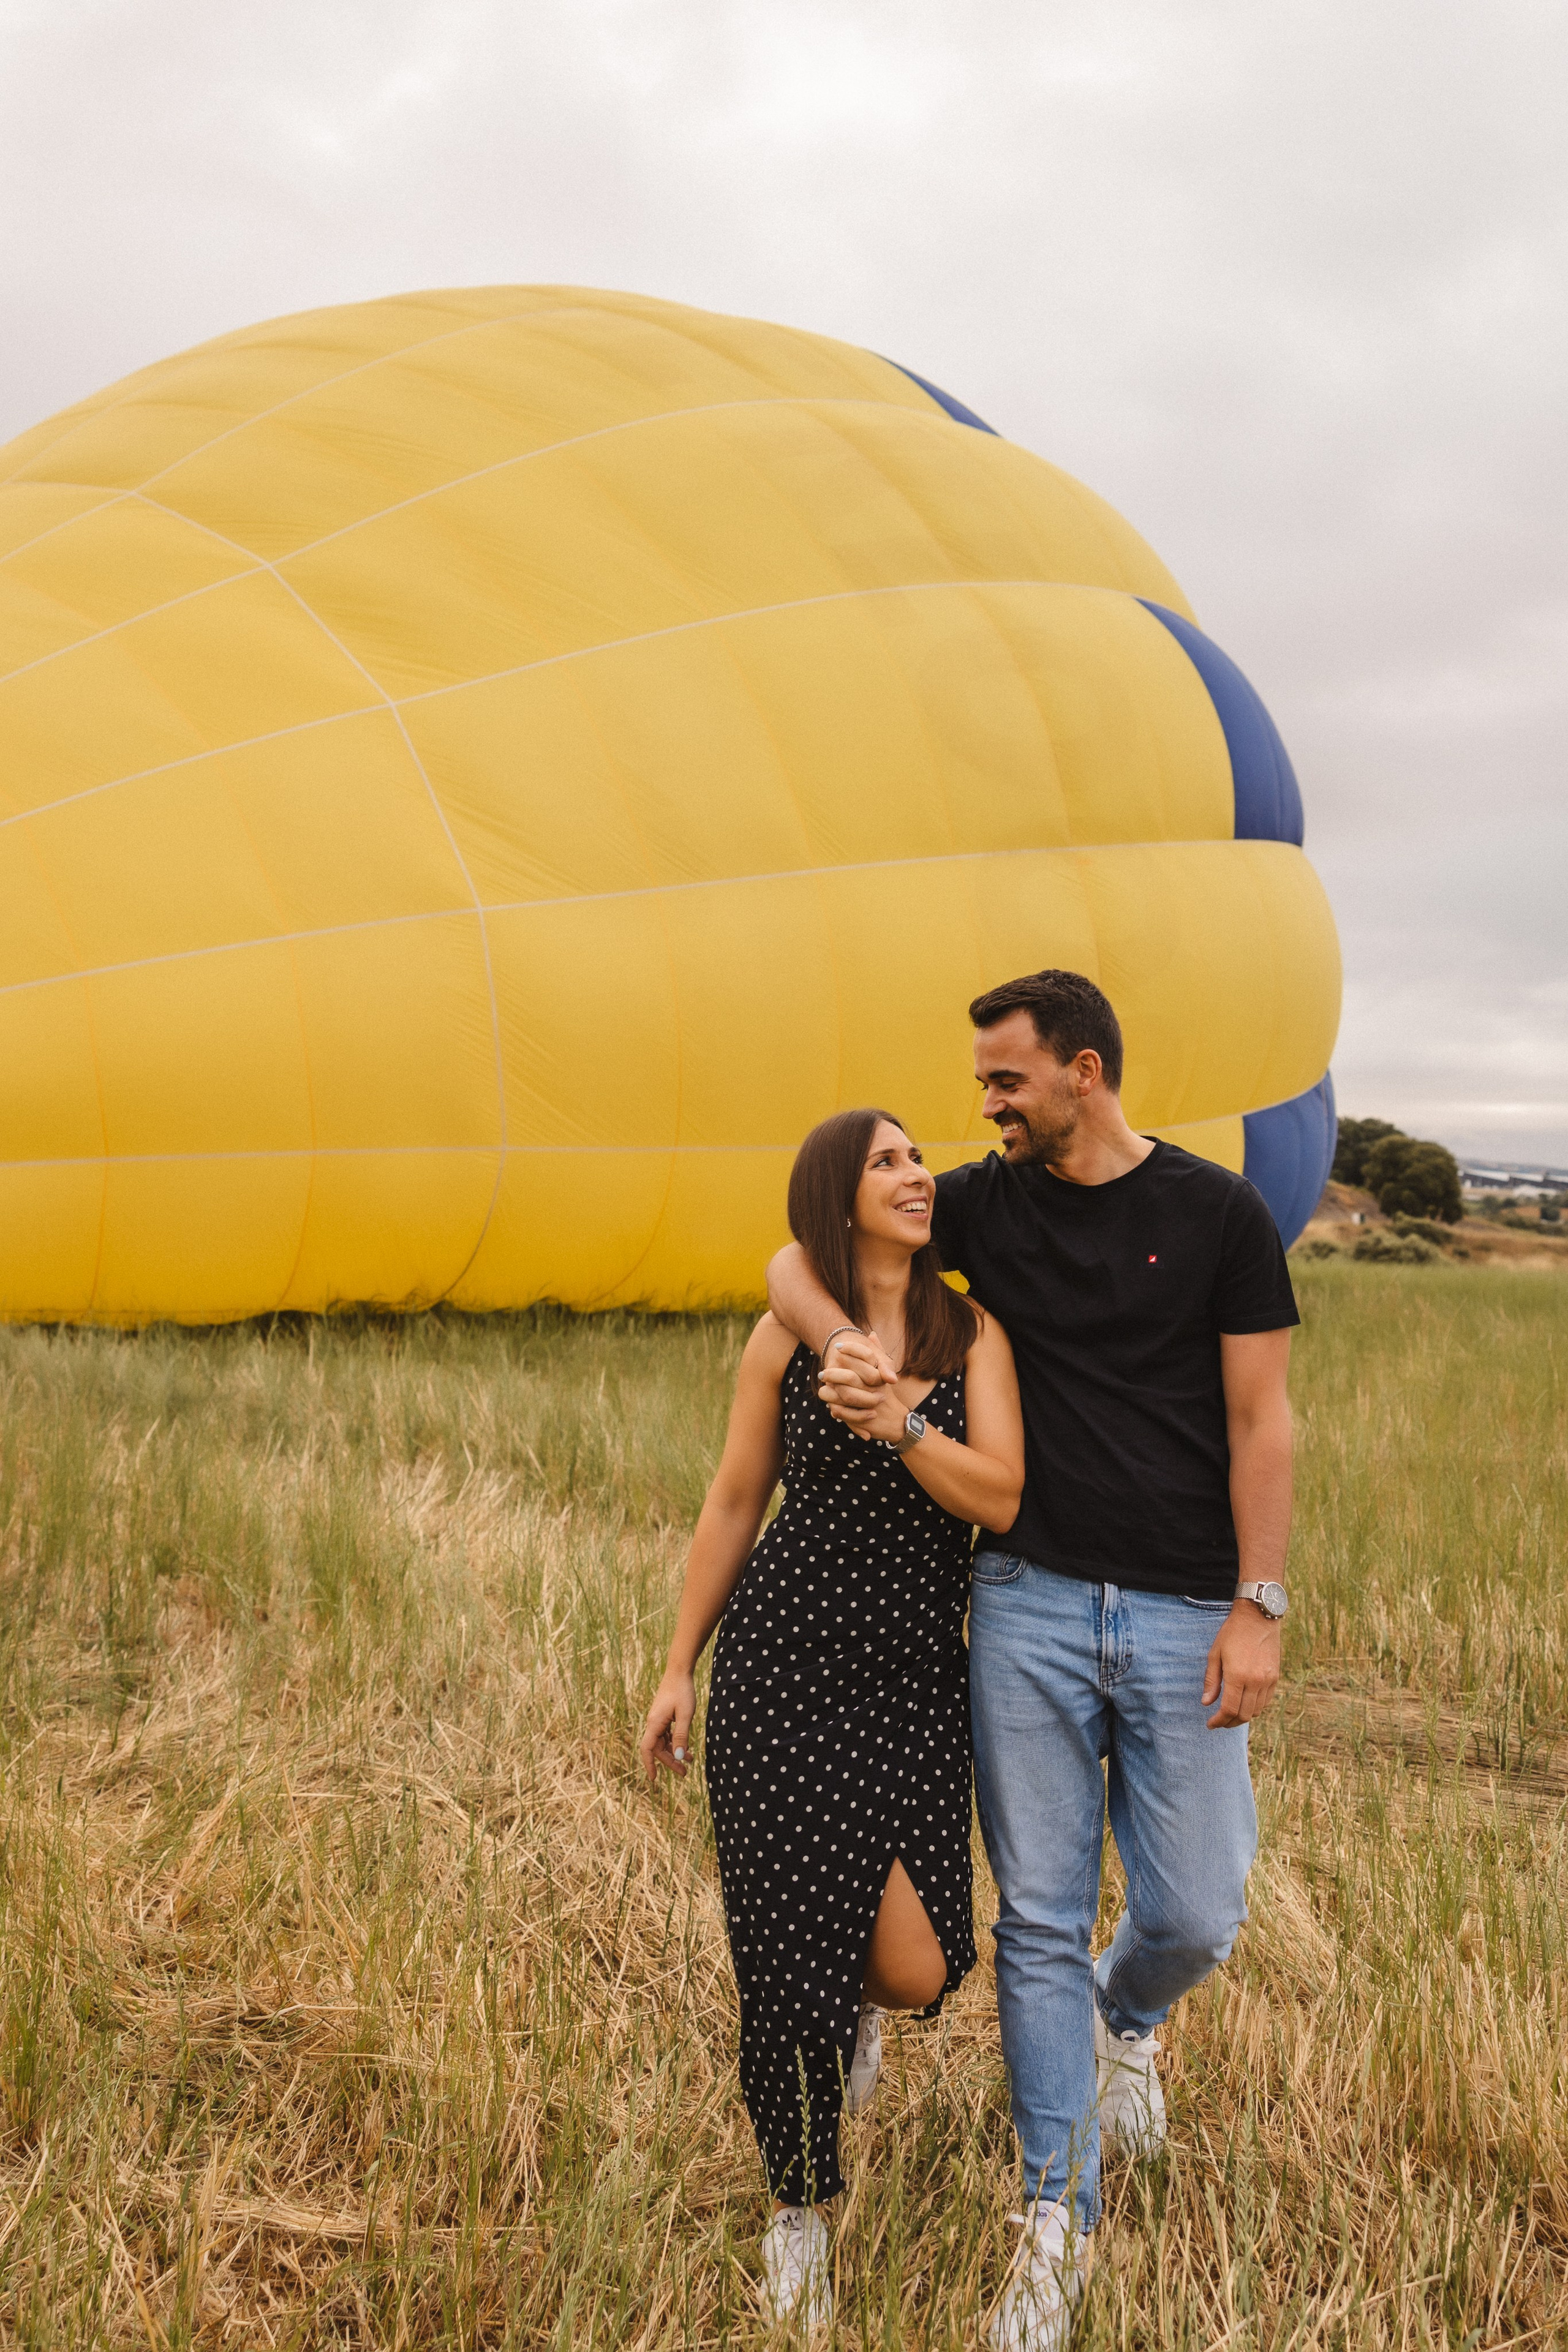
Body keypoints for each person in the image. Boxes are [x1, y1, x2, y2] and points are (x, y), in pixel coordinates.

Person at [767, 971, 1297, 2351]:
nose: (983, 1107)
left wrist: (1259, 1604)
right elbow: (799, 1250)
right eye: (980, 1086)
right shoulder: (983, 1205)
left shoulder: (1215, 1213)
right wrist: (847, 1359)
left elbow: (1262, 1422)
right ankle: (1052, 2222)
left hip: (1186, 1609)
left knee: (1192, 1912)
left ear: (1083, 1070)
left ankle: (1131, 2022)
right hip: (1026, 1600)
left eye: (1005, 1081)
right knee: (1037, 1923)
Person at [641, 1107, 1024, 2326]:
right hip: (781, 1666)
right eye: (886, 1162)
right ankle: (795, 2214)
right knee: (786, 1952)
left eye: (917, 1159)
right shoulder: (783, 1334)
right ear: (835, 1196)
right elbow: (733, 1501)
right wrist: (675, 1667)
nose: (915, 1177)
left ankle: (847, 2020)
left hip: (913, 1676)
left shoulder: (973, 1336)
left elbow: (1002, 1498)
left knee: (914, 1967)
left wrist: (899, 1423)